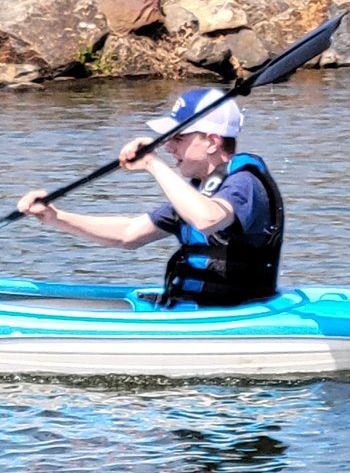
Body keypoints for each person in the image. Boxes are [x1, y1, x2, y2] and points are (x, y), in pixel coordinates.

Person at [15, 88, 286, 308]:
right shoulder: (199, 193)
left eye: (178, 138)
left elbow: (208, 219)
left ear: (212, 142)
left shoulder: (244, 184)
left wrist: (153, 164)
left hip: (231, 315)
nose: (168, 146)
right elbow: (129, 234)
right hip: (191, 310)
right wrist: (55, 217)